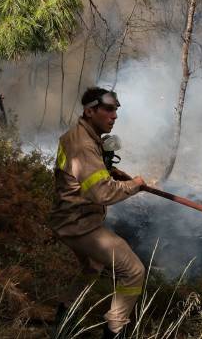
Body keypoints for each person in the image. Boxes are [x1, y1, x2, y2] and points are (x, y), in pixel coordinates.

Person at [49, 87, 146, 339]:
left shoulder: (81, 137)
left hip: (67, 217)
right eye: (108, 110)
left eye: (116, 110)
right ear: (90, 111)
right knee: (134, 270)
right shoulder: (83, 145)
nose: (114, 116)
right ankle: (115, 330)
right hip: (79, 224)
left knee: (92, 266)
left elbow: (80, 177)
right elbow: (102, 194)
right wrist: (135, 184)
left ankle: (64, 321)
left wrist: (109, 172)